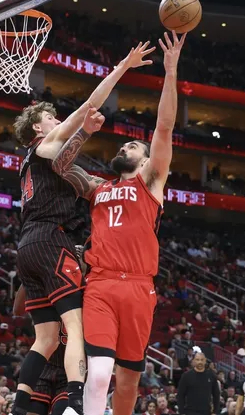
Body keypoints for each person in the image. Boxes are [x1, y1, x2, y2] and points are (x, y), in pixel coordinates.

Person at [12, 40, 155, 415]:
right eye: (51, 118)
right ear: (38, 128)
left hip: (24, 245)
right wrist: (122, 66)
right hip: (48, 240)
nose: (58, 120)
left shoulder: (27, 163)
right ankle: (76, 403)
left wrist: (83, 134)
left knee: (44, 338)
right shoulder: (46, 145)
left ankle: (19, 405)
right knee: (75, 329)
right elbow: (88, 106)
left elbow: (68, 167)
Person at [50, 31, 185, 415]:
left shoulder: (151, 181)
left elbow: (164, 127)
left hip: (140, 288)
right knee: (99, 371)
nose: (123, 147)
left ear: (145, 160)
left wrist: (170, 71)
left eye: (132, 147)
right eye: (123, 145)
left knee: (128, 382)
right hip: (102, 283)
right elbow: (60, 165)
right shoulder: (97, 186)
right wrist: (85, 131)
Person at [14, 286, 68, 415]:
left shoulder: (81, 284)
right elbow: (17, 310)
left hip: (69, 369)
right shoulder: (43, 283)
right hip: (43, 366)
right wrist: (27, 271)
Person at [177, 350, 220, 415]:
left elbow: (216, 394)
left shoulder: (211, 375)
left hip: (206, 412)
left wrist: (215, 412)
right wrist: (181, 412)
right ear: (193, 361)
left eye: (202, 360)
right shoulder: (186, 375)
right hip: (190, 412)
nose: (200, 362)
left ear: (205, 361)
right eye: (197, 360)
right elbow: (180, 395)